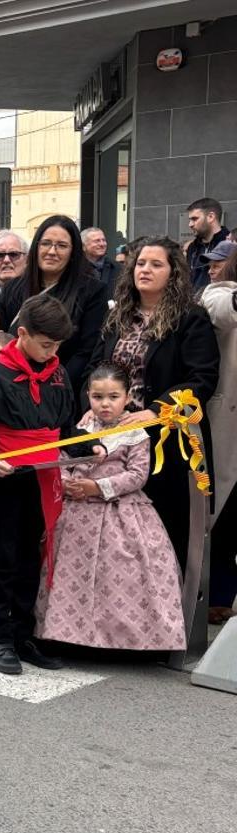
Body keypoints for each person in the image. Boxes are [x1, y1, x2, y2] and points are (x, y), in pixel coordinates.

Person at [0, 294, 105, 675]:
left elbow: (64, 428)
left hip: (43, 477)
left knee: (29, 557)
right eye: (46, 344)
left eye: (57, 346)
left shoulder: (58, 375)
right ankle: (0, 636)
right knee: (3, 557)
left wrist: (88, 445)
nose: (52, 352)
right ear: (22, 334)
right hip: (7, 478)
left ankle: (23, 634)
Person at [88, 236, 220, 575]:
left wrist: (156, 412)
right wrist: (91, 403)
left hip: (165, 442)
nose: (145, 269)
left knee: (163, 534)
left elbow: (202, 379)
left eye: (156, 264)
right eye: (141, 263)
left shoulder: (191, 318)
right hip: (113, 437)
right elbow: (94, 368)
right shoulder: (118, 316)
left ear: (173, 272)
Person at [35, 363, 185, 650]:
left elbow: (138, 475)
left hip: (120, 511)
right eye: (98, 397)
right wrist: (64, 482)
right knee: (70, 573)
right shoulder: (80, 429)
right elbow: (61, 458)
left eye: (113, 397)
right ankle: (65, 634)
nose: (105, 404)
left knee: (122, 572)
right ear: (88, 396)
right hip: (76, 511)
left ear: (127, 397)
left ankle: (122, 639)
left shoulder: (136, 433)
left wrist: (98, 487)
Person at [0, 214, 109, 393]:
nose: (51, 251)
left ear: (73, 252)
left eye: (62, 246)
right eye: (46, 243)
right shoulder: (13, 289)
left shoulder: (93, 291)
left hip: (59, 389)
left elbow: (86, 351)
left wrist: (50, 385)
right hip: (10, 386)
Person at [200, 253, 237, 622]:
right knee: (224, 516)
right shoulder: (221, 293)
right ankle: (217, 596)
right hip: (229, 427)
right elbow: (221, 310)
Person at [185, 198, 229, 289]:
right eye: (190, 220)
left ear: (211, 217)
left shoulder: (230, 244)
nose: (190, 224)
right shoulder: (192, 247)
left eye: (194, 219)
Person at [83, 227, 121, 300]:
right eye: (97, 241)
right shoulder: (75, 269)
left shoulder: (118, 268)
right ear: (83, 246)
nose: (102, 244)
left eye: (104, 240)